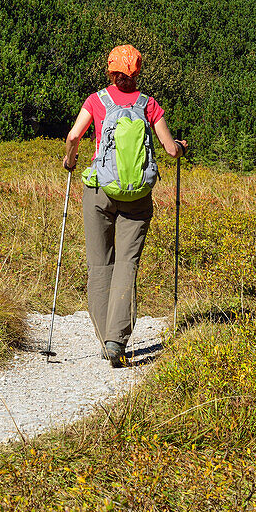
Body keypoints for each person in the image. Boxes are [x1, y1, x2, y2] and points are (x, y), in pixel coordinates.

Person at [63, 44, 185, 366]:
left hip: (99, 191)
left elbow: (74, 136)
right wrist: (182, 147)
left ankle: (106, 338)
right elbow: (170, 150)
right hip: (138, 197)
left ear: (111, 71)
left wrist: (70, 159)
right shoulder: (149, 104)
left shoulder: (97, 100)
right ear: (138, 71)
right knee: (127, 264)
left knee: (100, 265)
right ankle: (117, 340)